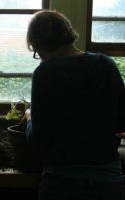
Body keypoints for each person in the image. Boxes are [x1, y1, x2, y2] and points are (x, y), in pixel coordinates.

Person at [22, 10, 125, 200]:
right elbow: (121, 123)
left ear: (38, 44)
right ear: (68, 34)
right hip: (108, 182)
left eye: (36, 52)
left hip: (62, 183)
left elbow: (38, 139)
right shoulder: (106, 65)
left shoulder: (45, 73)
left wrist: (29, 117)